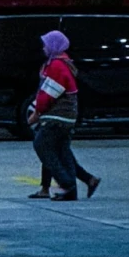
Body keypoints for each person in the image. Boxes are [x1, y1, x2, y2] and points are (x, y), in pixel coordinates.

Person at [27, 30, 98, 201]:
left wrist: (37, 113)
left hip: (57, 117)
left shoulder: (57, 66)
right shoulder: (60, 63)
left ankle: (66, 183)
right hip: (65, 117)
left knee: (42, 146)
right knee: (61, 151)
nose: (43, 48)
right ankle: (72, 189)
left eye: (46, 44)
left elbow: (48, 94)